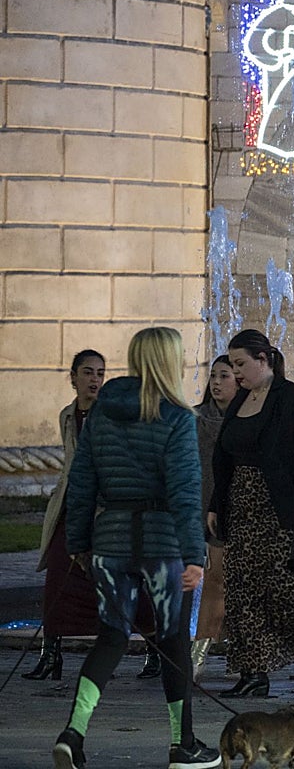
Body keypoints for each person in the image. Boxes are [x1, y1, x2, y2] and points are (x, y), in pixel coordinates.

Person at [52, 327, 221, 769]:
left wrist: (78, 543)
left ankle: (73, 733)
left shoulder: (102, 411)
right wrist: (194, 555)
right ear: (169, 360)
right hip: (164, 544)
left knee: (110, 638)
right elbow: (185, 491)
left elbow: (81, 481)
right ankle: (183, 745)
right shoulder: (177, 417)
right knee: (172, 640)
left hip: (110, 540)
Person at [208, 329, 294, 699]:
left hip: (277, 506)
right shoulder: (240, 400)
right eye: (232, 366)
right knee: (241, 589)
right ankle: (252, 672)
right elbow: (226, 457)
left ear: (262, 360)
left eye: (240, 364)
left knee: (285, 587)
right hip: (240, 504)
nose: (235, 373)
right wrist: (216, 504)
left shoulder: (287, 395)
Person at [26, 350, 106, 681]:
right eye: (87, 372)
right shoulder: (67, 415)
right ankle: (50, 654)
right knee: (58, 575)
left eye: (100, 373)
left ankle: (152, 650)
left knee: (117, 581)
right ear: (73, 377)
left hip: (102, 510)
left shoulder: (109, 415)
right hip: (70, 506)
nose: (94, 379)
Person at [189, 356, 235, 681]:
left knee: (229, 581)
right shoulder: (195, 419)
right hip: (201, 507)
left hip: (236, 507)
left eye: (224, 376)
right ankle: (198, 653)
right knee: (214, 579)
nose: (216, 383)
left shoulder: (246, 418)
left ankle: (233, 651)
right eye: (214, 376)